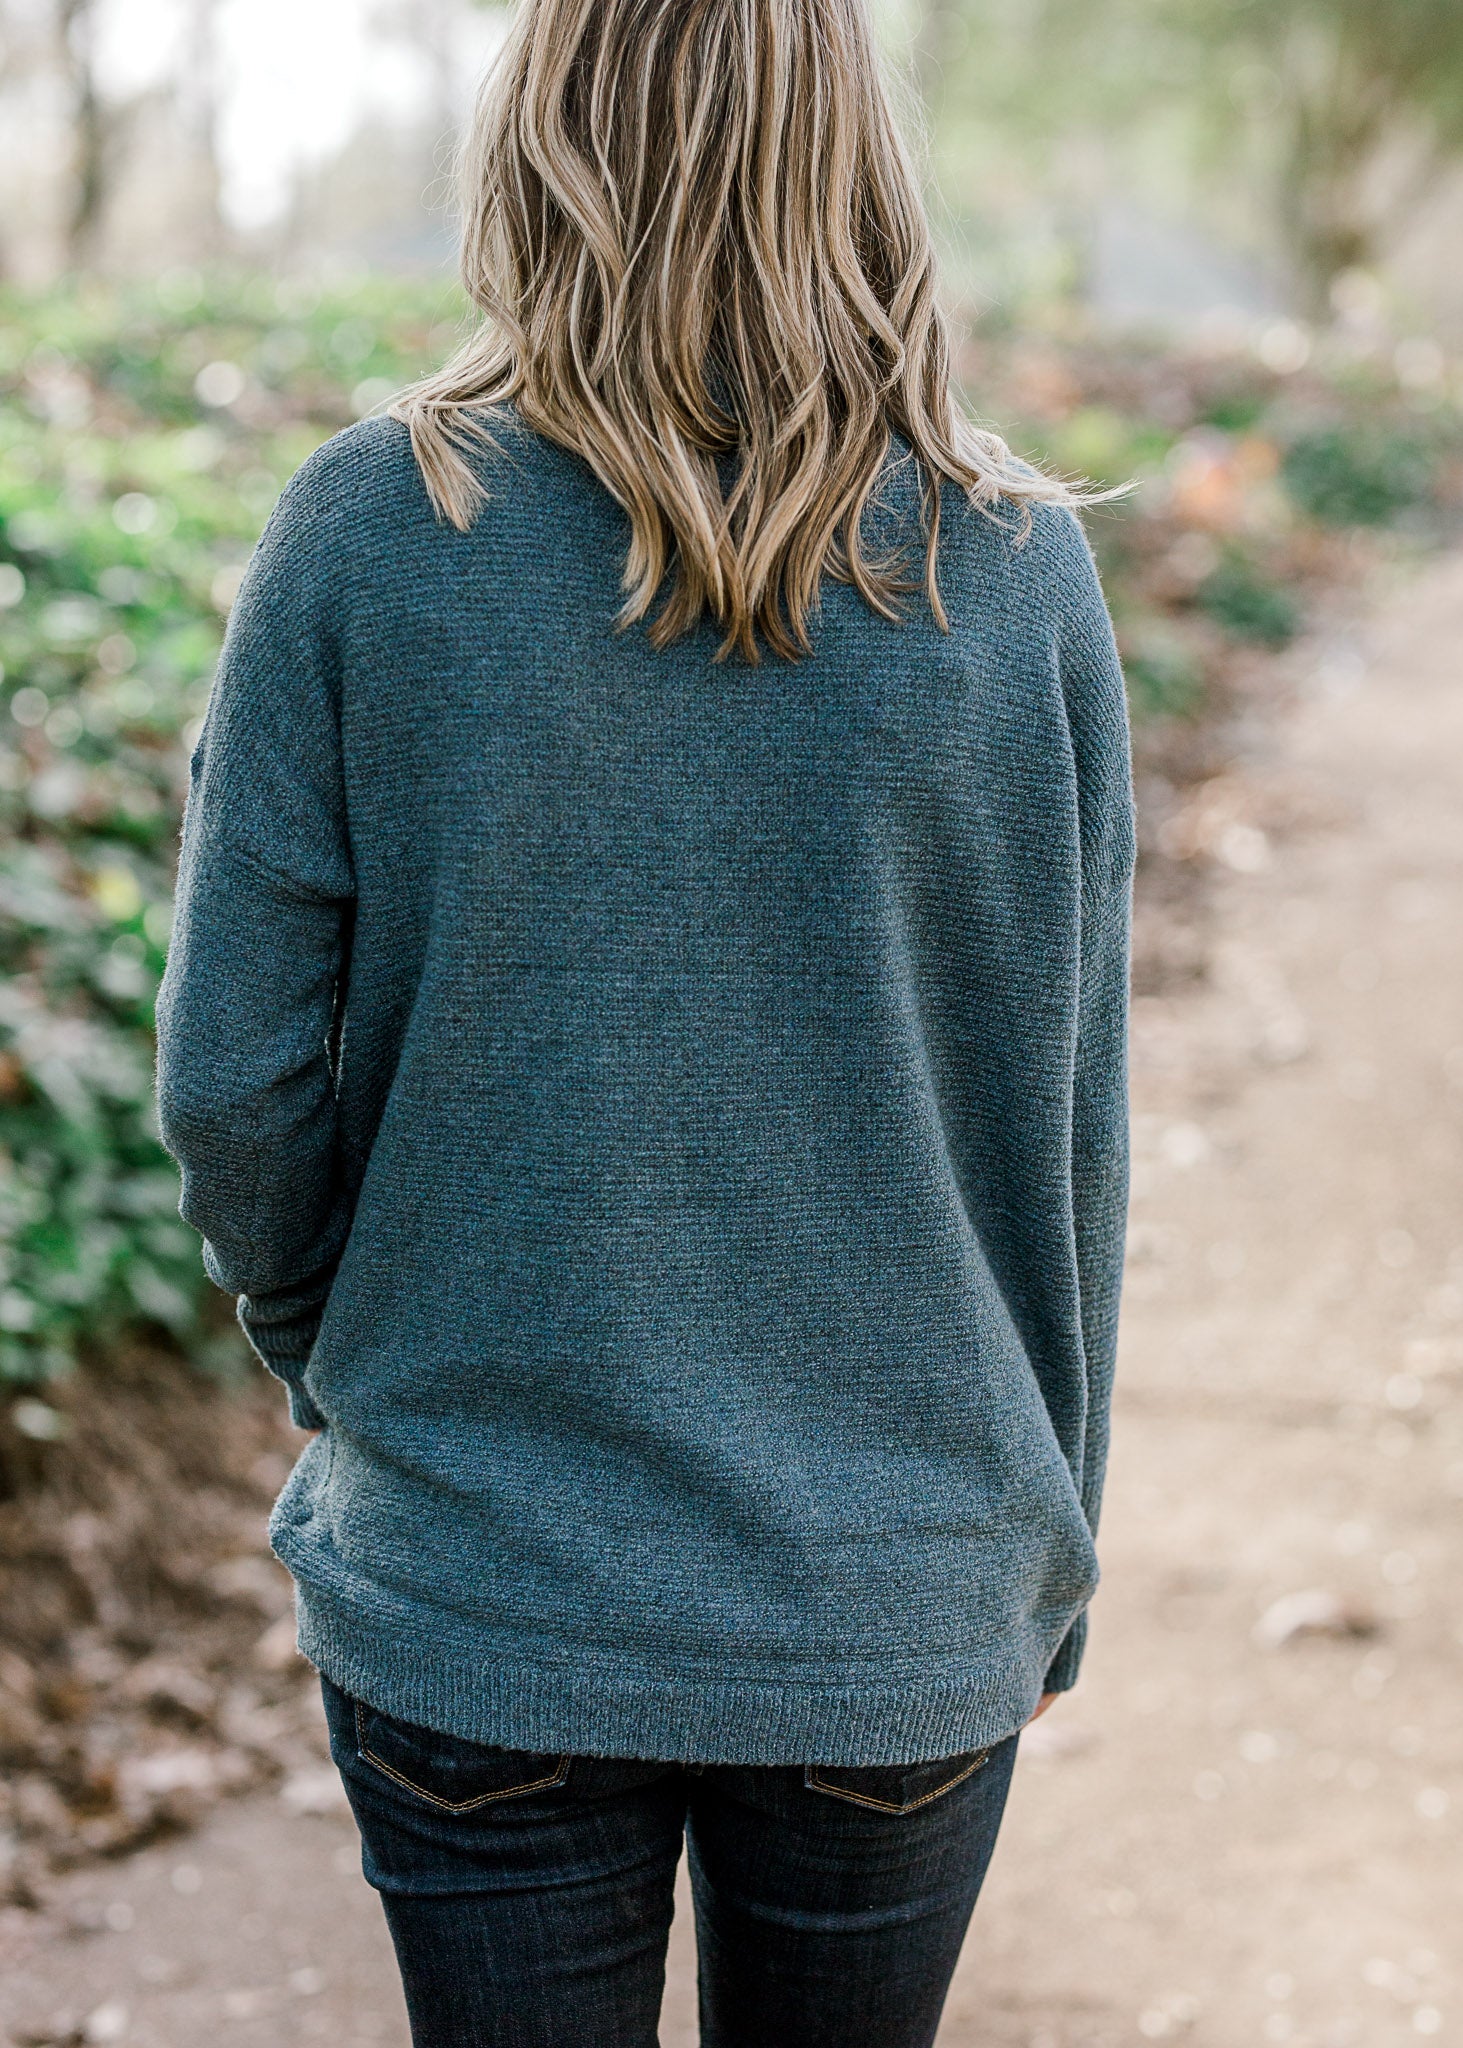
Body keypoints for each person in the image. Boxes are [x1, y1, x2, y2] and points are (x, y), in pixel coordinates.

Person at [154, 1, 1135, 2041]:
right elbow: (1069, 1134)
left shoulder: (369, 531)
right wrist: (1038, 1537)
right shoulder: (1016, 570)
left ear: (536, 145)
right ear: (855, 153)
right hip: (905, 1587)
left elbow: (232, 1084)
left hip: (483, 1574)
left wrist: (350, 1354)